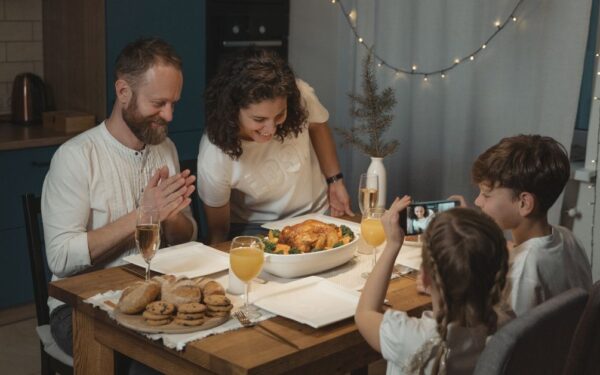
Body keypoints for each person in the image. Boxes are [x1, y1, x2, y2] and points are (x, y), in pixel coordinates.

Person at [42, 37, 197, 357]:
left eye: (174, 103)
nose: (169, 116)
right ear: (123, 91)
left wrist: (171, 219)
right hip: (78, 307)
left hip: (153, 293)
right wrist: (143, 216)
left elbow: (187, 237)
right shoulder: (76, 157)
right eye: (158, 103)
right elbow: (60, 258)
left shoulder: (165, 149)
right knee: (154, 358)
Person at [197, 48, 353, 244]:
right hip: (257, 229)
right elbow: (218, 231)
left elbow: (318, 125)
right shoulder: (214, 153)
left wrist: (335, 180)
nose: (270, 129)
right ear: (232, 110)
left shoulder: (300, 94)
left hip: (317, 214)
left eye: (279, 115)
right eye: (259, 119)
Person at [355, 197, 510, 374]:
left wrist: (392, 245)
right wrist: (470, 226)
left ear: (426, 278)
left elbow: (364, 313)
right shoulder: (505, 324)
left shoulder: (410, 338)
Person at [456, 134, 592, 316]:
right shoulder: (568, 237)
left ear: (524, 203)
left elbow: (503, 340)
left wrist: (450, 291)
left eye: (486, 195)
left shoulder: (520, 273)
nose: (478, 201)